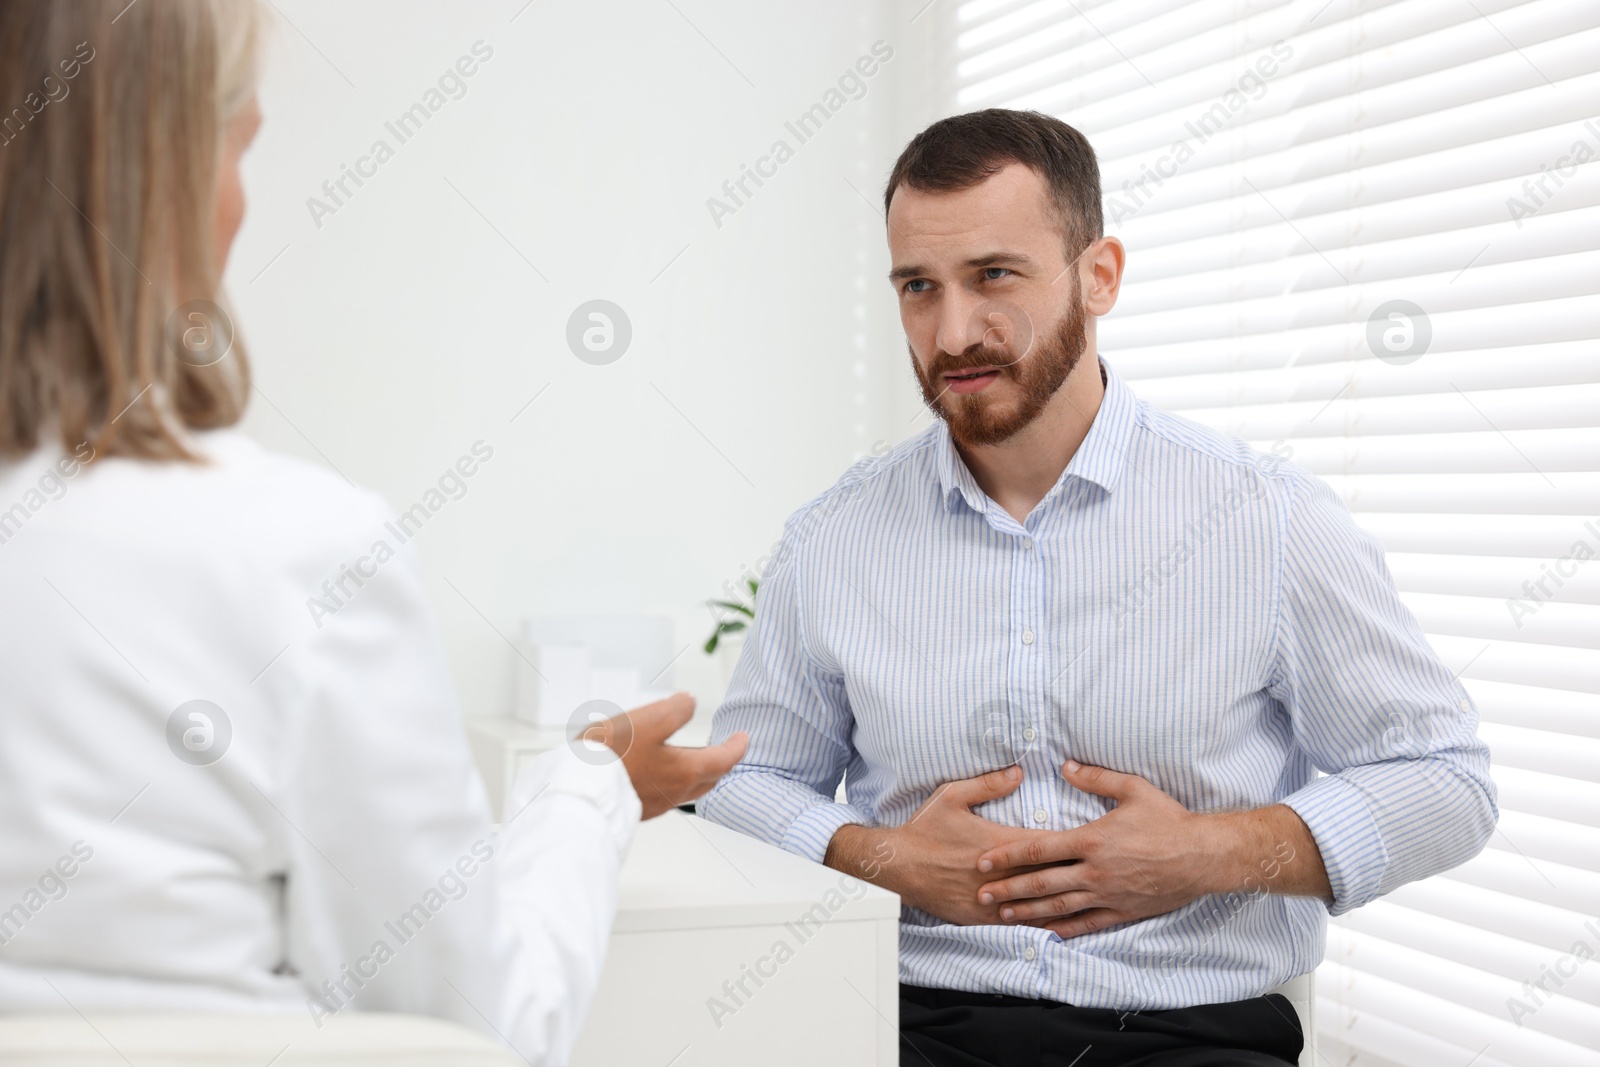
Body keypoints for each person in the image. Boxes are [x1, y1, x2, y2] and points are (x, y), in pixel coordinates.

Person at [0, 2, 745, 1062]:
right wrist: (586, 784)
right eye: (236, 147)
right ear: (158, 178)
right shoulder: (290, 551)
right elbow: (483, 1027)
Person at [697, 109, 1496, 1066]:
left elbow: (1446, 779)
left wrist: (1209, 853)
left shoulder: (1267, 519)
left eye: (995, 275)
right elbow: (744, 779)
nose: (952, 333)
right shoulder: (833, 539)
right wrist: (885, 859)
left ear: (1099, 274)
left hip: (1190, 1031)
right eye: (919, 286)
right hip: (909, 1023)